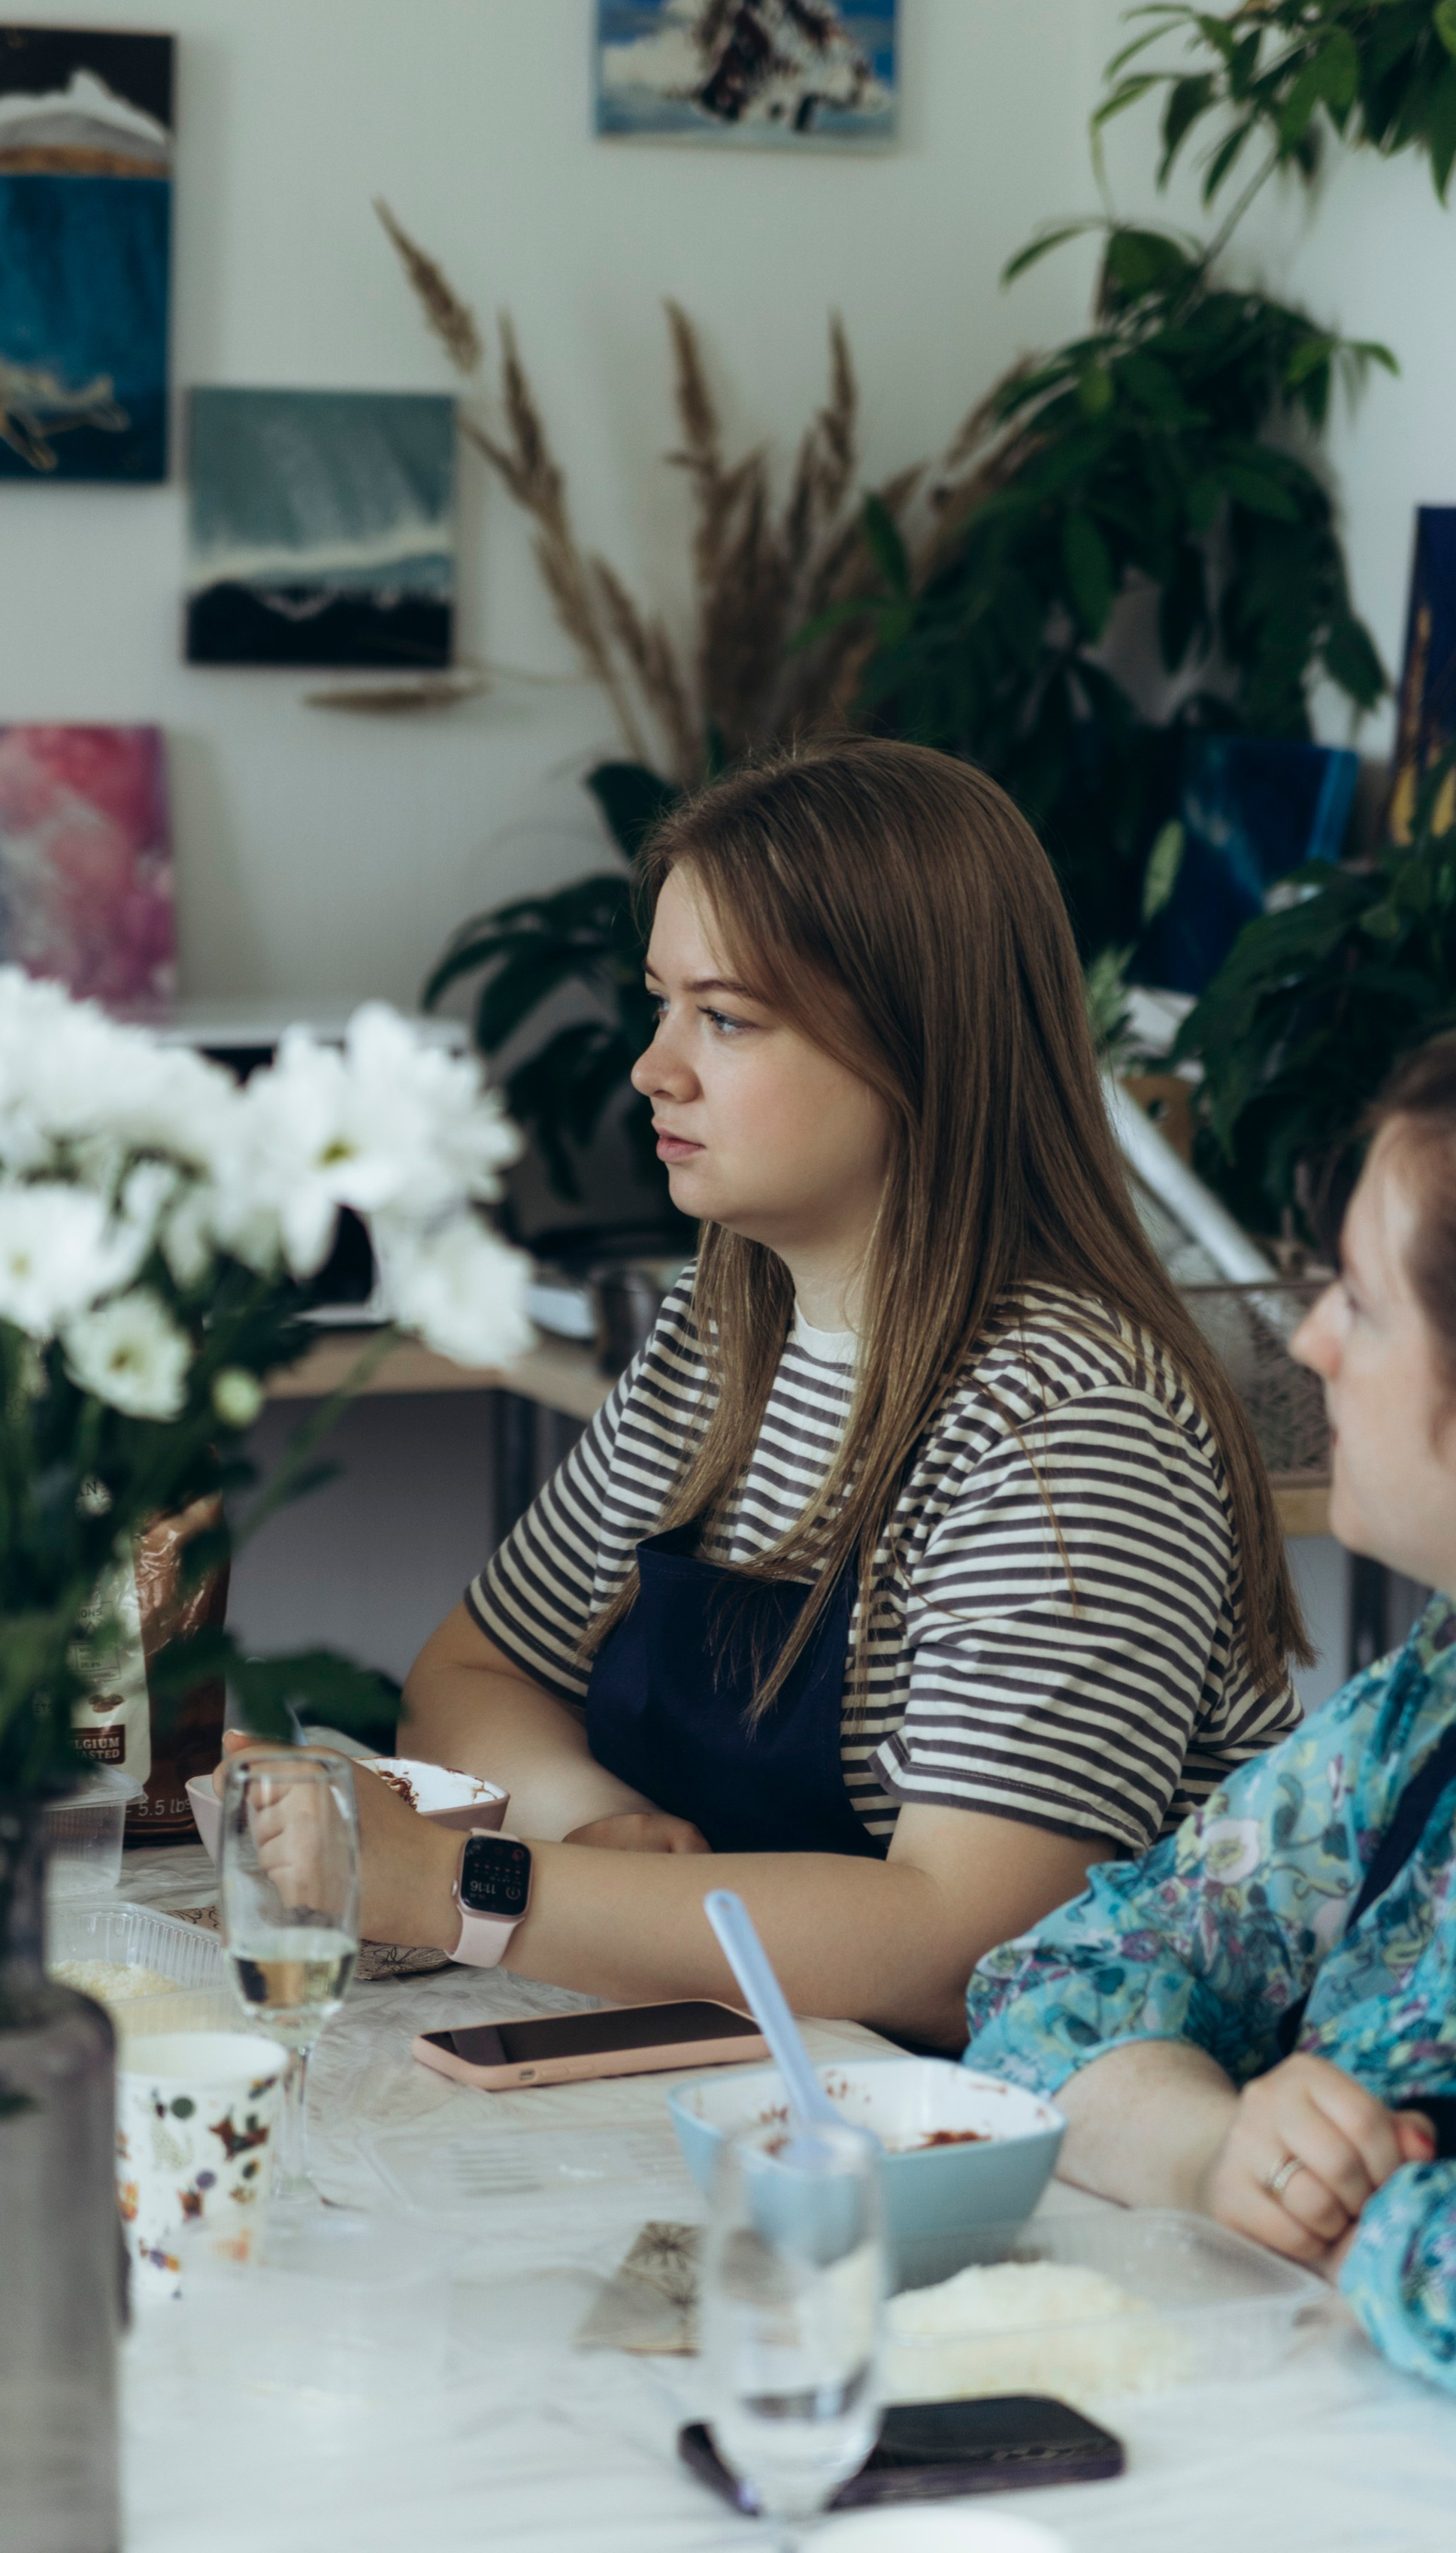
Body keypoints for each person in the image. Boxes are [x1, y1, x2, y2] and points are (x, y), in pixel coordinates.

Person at [333, 741, 1305, 2049]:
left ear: (916, 1045)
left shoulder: (1070, 1423)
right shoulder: (725, 1326)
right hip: (763, 2074)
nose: (654, 1070)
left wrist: (471, 1883)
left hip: (1007, 2151)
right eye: (661, 1004)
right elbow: (476, 1668)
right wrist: (586, 1827)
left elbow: (964, 1948)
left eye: (725, 1019)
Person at [966, 1014, 1456, 2434]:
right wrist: (1226, 2146)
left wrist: (1348, 2208)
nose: (1310, 1336)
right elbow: (1055, 1983)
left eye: (1363, 1299)